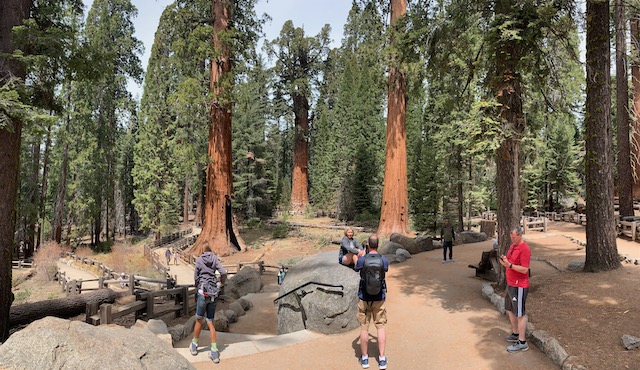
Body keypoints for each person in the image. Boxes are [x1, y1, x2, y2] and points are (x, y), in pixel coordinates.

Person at [354, 235, 389, 369]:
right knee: (380, 326)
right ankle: (381, 359)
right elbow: (385, 270)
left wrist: (362, 254)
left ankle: (364, 359)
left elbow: (357, 268)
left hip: (364, 297)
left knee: (364, 328)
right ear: (378, 245)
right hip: (379, 297)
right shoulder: (383, 260)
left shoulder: (362, 260)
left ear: (368, 245)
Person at [190, 243, 227, 363]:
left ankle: (194, 346)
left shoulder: (200, 260)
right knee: (210, 321)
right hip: (213, 294)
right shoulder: (214, 258)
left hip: (203, 292)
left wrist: (198, 286)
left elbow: (196, 276)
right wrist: (222, 283)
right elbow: (223, 272)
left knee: (199, 319)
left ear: (202, 250)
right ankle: (214, 352)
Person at [498, 227, 531, 353]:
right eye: (511, 236)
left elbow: (524, 269)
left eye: (514, 236)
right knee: (510, 309)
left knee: (519, 313)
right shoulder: (512, 247)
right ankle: (515, 333)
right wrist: (505, 261)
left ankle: (522, 342)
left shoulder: (525, 249)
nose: (512, 238)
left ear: (520, 235)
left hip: (519, 285)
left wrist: (510, 265)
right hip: (510, 283)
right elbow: (509, 262)